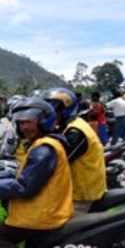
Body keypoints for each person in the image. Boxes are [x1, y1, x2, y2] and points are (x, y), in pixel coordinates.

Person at [0, 98, 73, 247]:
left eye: (29, 121)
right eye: (21, 123)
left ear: (43, 122)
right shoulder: (44, 143)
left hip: (43, 217)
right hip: (50, 211)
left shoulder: (43, 149)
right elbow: (29, 173)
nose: (25, 126)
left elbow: (24, 187)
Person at [40, 87, 106, 215]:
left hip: (82, 196)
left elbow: (56, 161)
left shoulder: (75, 132)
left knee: (52, 227)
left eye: (53, 111)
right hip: (75, 189)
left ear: (65, 110)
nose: (49, 115)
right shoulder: (67, 126)